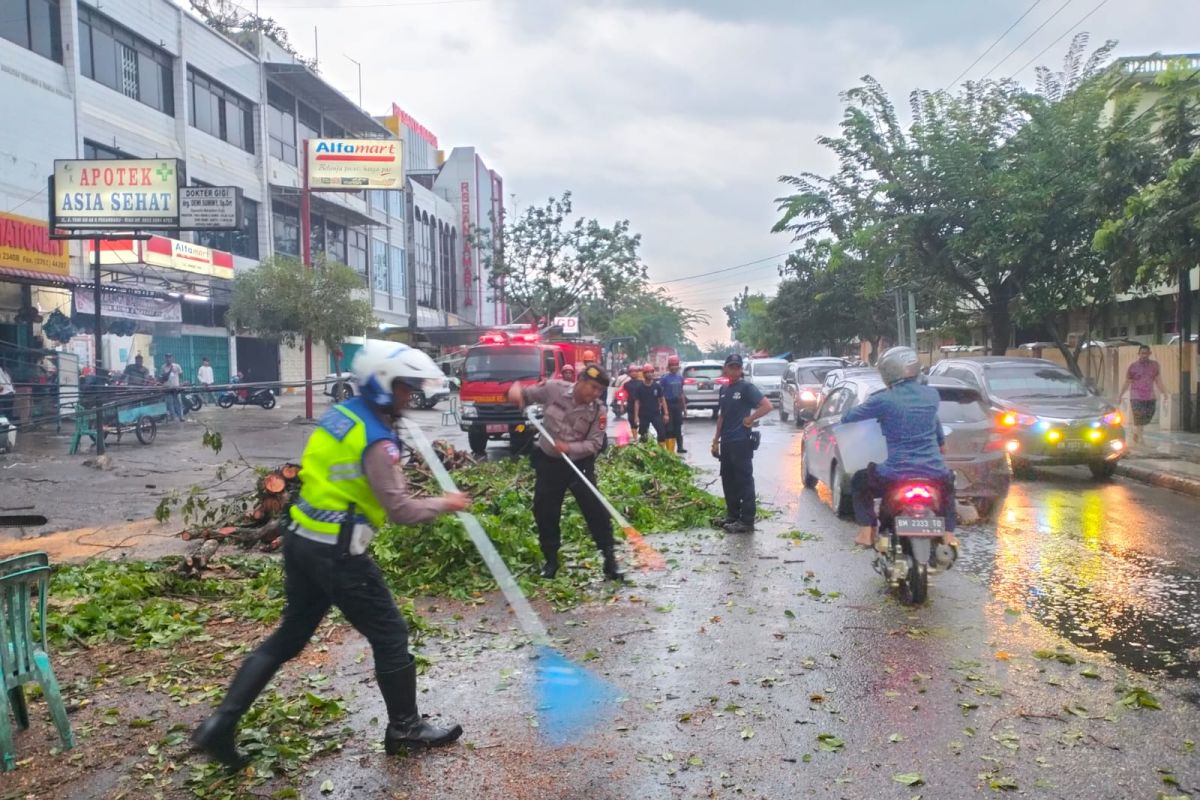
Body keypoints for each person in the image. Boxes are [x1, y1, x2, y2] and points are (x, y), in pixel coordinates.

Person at [192, 341, 470, 770]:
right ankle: (406, 729)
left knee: (289, 636)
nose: (409, 396)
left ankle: (220, 726)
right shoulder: (378, 440)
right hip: (338, 552)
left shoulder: (342, 415)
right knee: (391, 633)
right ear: (382, 385)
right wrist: (446, 503)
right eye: (404, 388)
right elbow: (401, 510)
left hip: (301, 538)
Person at [506, 364, 622, 581]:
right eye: (593, 387)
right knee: (545, 512)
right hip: (549, 463)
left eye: (600, 390)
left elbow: (595, 444)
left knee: (596, 510)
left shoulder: (598, 411)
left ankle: (609, 559)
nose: (595, 394)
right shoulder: (554, 389)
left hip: (579, 465)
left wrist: (570, 448)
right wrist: (516, 393)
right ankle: (550, 560)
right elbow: (524, 396)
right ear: (580, 380)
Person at [841, 346, 959, 550]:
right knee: (948, 486)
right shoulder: (932, 396)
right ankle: (948, 535)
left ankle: (866, 533)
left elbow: (848, 417)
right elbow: (938, 434)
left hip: (895, 474)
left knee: (860, 480)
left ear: (887, 372)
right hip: (934, 473)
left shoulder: (883, 399)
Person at [711, 354, 772, 533]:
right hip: (727, 442)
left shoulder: (746, 388)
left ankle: (746, 521)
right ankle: (732, 516)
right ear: (725, 368)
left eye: (737, 367)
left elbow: (767, 405)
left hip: (741, 442)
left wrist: (751, 418)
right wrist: (715, 440)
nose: (734, 370)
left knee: (744, 481)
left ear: (741, 370)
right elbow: (722, 416)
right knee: (728, 480)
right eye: (731, 367)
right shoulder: (724, 390)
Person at [1118, 344, 1166, 445]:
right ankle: (1141, 438)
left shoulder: (1155, 365)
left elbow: (1158, 380)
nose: (1144, 355)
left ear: (1150, 354)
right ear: (1138, 354)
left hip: (1150, 397)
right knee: (1139, 417)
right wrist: (1120, 395)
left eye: (1146, 353)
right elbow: (1127, 382)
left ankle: (1136, 432)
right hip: (1136, 396)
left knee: (1147, 417)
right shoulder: (1133, 366)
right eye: (1142, 353)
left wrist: (1164, 392)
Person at [633, 364, 669, 445]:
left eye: (651, 372)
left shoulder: (657, 386)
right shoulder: (639, 387)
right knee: (643, 436)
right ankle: (645, 452)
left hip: (655, 414)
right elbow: (637, 402)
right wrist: (636, 417)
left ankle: (661, 451)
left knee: (662, 433)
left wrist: (666, 414)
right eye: (647, 372)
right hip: (643, 415)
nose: (650, 374)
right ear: (644, 374)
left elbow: (662, 400)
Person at [659, 355, 687, 453]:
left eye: (676, 365)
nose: (674, 367)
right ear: (669, 366)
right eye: (672, 365)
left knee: (678, 426)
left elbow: (681, 393)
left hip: (677, 405)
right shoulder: (664, 379)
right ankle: (669, 450)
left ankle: (680, 447)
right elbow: (660, 395)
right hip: (667, 404)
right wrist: (662, 409)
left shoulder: (680, 377)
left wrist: (684, 408)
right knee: (669, 428)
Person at [159, 353, 184, 421]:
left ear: (172, 358)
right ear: (165, 359)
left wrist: (181, 383)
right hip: (167, 388)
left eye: (170, 357)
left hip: (176, 387)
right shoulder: (163, 367)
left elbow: (181, 375)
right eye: (167, 357)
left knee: (178, 402)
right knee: (170, 403)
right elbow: (162, 378)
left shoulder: (177, 366)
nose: (168, 359)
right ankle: (173, 417)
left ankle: (181, 417)